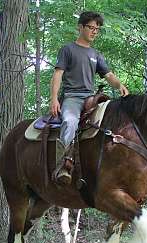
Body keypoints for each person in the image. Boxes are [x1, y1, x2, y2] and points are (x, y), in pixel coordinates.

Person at [50, 11, 129, 186]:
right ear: (80, 27)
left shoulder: (96, 54)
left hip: (91, 98)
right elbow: (58, 75)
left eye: (97, 29)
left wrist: (120, 85)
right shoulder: (68, 49)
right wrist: (54, 99)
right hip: (72, 97)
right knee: (70, 121)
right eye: (91, 27)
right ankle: (62, 166)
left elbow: (108, 75)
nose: (94, 31)